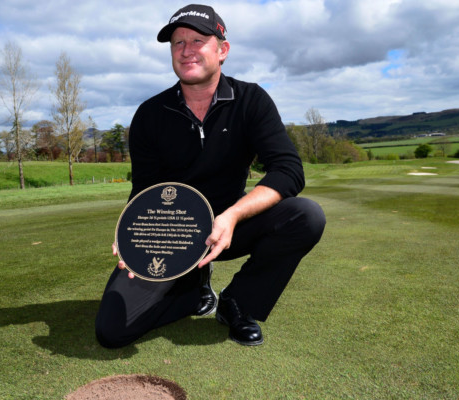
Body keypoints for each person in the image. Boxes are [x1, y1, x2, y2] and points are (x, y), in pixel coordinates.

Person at [95, 4, 325, 347]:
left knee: (305, 216)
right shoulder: (149, 114)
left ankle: (237, 304)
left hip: (232, 227)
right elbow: (144, 190)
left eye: (198, 40)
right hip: (172, 234)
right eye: (177, 42)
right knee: (112, 332)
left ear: (222, 50)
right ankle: (192, 291)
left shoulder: (251, 100)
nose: (186, 50)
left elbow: (288, 169)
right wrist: (133, 237)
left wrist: (232, 216)